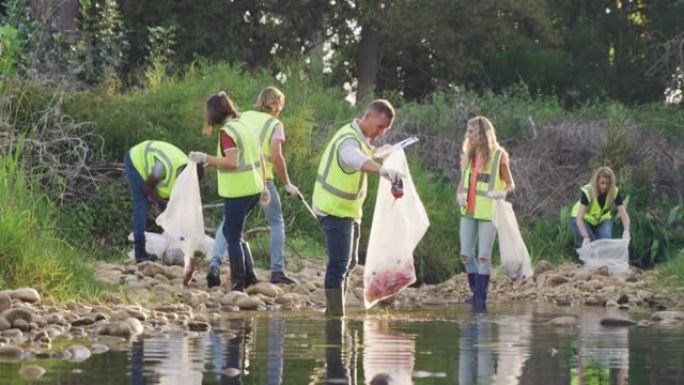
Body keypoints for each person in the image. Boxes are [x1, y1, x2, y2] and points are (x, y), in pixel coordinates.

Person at [312, 99, 403, 317]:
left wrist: (380, 153)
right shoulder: (348, 140)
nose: (381, 132)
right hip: (333, 209)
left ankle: (335, 313)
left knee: (350, 263)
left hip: (350, 212)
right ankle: (335, 317)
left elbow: (364, 153)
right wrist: (382, 170)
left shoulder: (361, 139)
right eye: (380, 127)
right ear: (367, 116)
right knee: (339, 264)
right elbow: (352, 158)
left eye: (386, 129)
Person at [208, 87, 299, 287]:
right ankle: (277, 270)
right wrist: (287, 183)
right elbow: (276, 155)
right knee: (276, 223)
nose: (280, 110)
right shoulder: (275, 123)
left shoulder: (245, 116)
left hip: (240, 180)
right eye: (280, 105)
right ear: (275, 104)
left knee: (230, 225)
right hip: (261, 179)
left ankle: (214, 264)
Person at [189, 91, 269, 292]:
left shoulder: (227, 132)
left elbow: (231, 163)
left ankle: (238, 283)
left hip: (238, 192)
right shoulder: (245, 125)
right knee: (235, 232)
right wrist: (265, 187)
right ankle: (250, 276)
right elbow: (260, 157)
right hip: (254, 188)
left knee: (232, 237)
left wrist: (205, 158)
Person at [456, 116, 515, 309]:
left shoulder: (499, 156)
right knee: (465, 254)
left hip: (489, 211)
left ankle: (480, 298)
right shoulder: (467, 154)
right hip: (468, 211)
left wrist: (501, 193)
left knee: (483, 256)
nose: (468, 135)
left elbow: (511, 184)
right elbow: (461, 182)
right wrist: (459, 195)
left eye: (471, 131)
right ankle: (476, 292)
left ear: (482, 133)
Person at [124, 140, 203, 263]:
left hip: (155, 170)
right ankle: (139, 251)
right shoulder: (162, 168)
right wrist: (161, 202)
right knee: (142, 205)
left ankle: (177, 247)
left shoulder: (188, 169)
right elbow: (147, 187)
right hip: (136, 160)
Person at [570, 166, 630, 248]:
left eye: (608, 184)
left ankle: (602, 259)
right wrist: (586, 237)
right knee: (589, 241)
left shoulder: (614, 192)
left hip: (602, 220)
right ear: (597, 181)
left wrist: (626, 231)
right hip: (582, 219)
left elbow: (623, 214)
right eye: (602, 183)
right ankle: (585, 256)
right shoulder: (588, 192)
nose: (604, 186)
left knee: (605, 242)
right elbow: (579, 218)